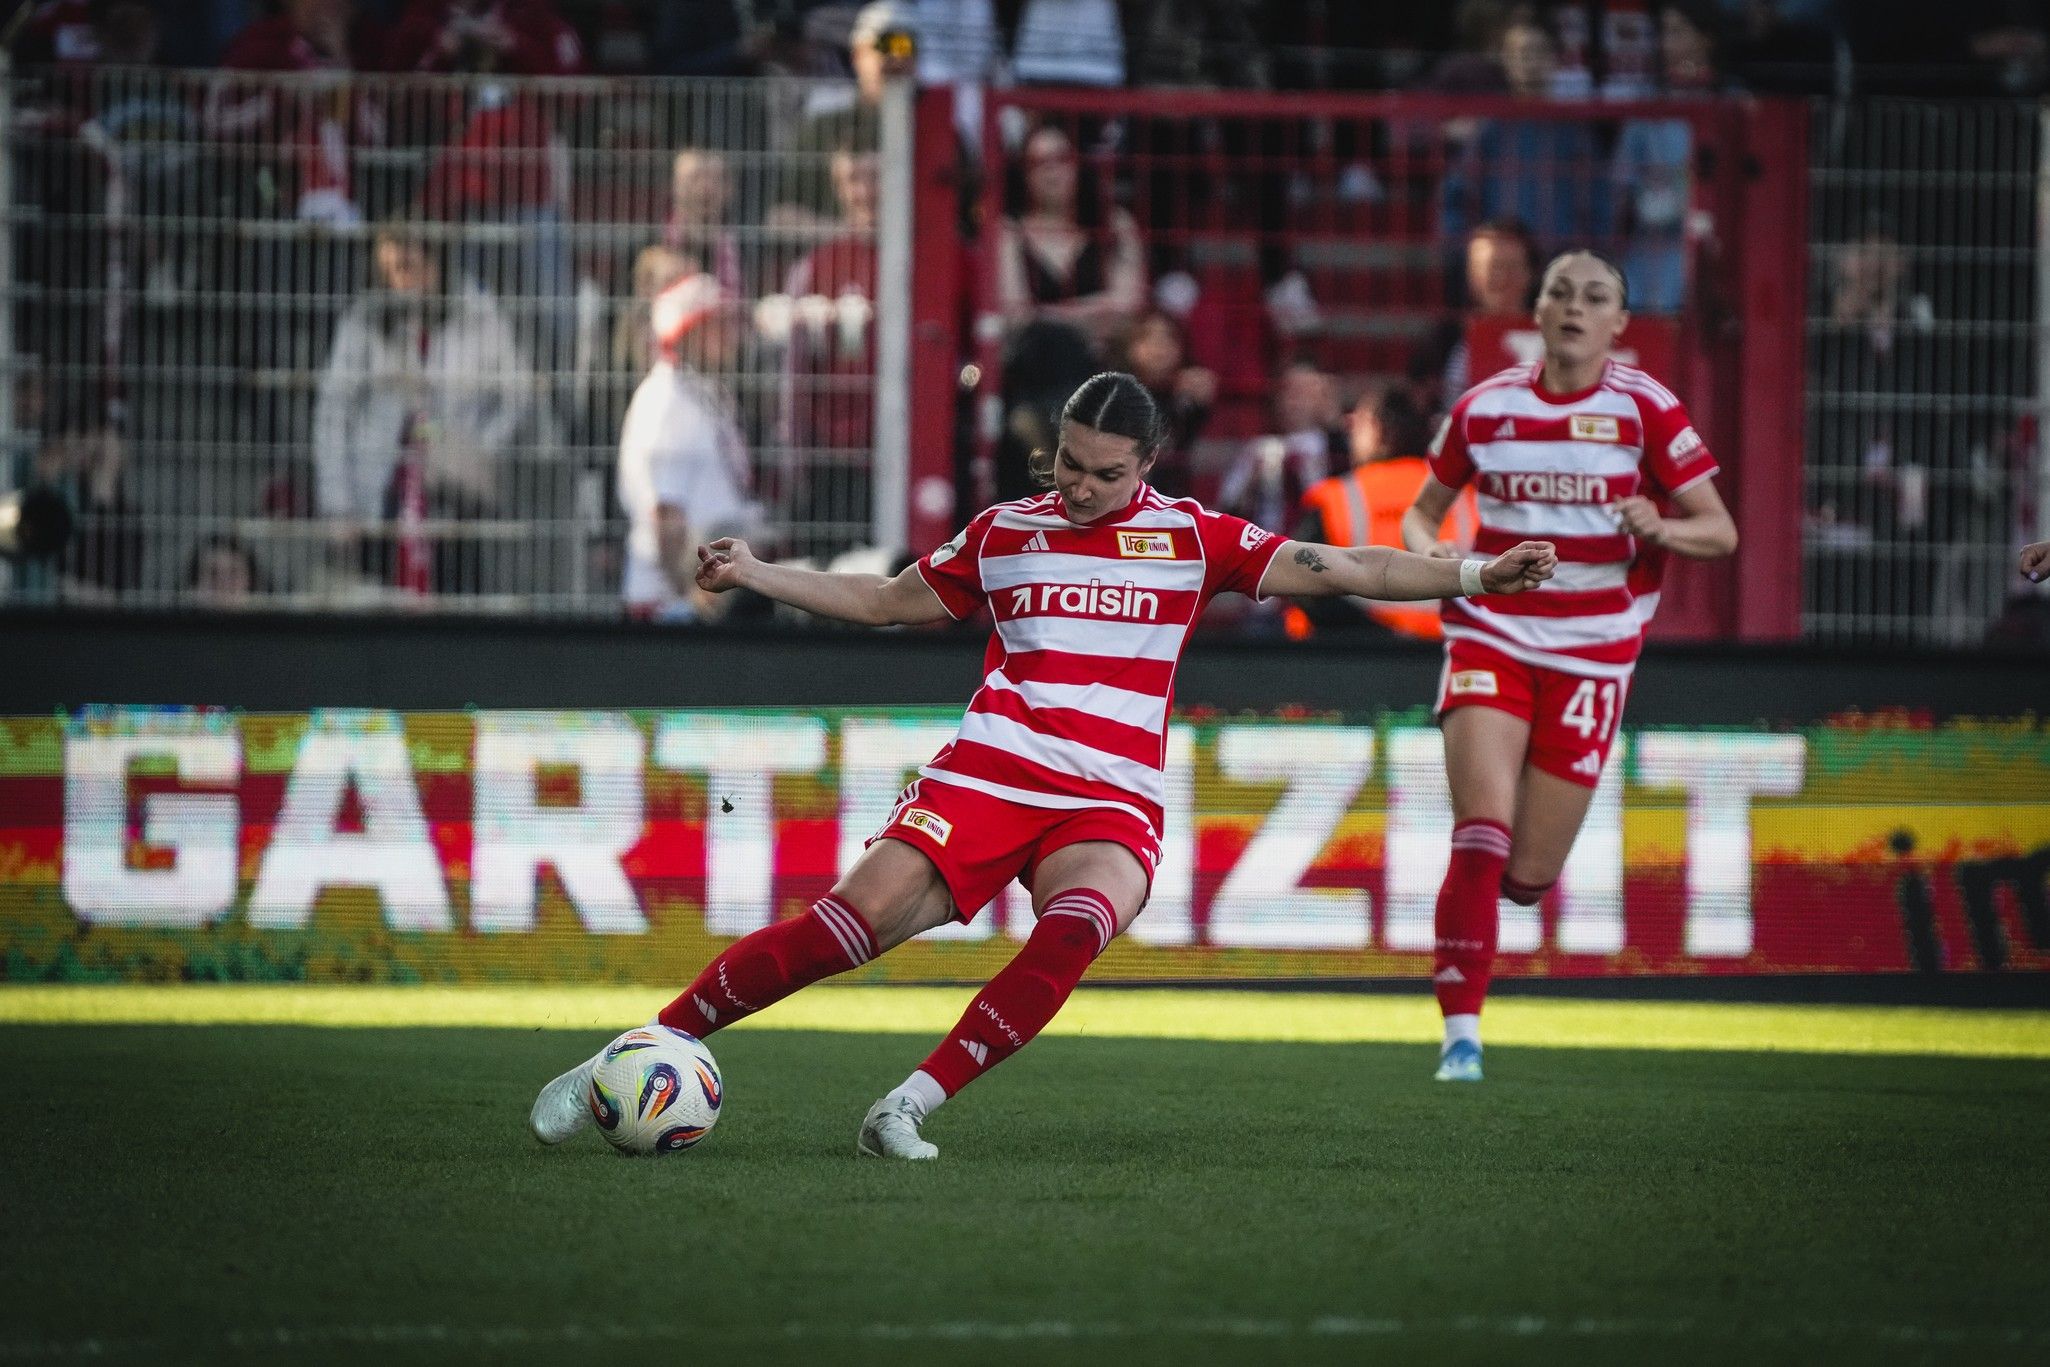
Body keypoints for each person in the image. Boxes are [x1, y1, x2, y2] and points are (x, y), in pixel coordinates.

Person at [528, 371, 1557, 1159]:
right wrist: (753, 570)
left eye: (1106, 473)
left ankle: (907, 1104)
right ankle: (627, 1054)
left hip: (1110, 792)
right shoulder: (1006, 533)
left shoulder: (1193, 539)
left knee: (1079, 923)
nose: (1080, 486)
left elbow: (1354, 566)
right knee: (840, 931)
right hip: (991, 770)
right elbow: (887, 602)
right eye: (1068, 463)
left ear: (1146, 466)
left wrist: (1474, 571)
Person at [1402, 249, 1737, 1083]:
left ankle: (1500, 925)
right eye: (1561, 292)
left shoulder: (1648, 410)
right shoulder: (1485, 407)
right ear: (1538, 312)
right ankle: (1461, 1042)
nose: (1575, 307)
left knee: (1525, 876)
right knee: (1480, 830)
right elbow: (1421, 515)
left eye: (1596, 297)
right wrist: (1441, 560)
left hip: (1595, 651)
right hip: (1492, 631)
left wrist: (1659, 528)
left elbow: (1720, 531)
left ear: (1620, 324)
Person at [616, 273, 760, 622]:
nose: (731, 336)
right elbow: (666, 516)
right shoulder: (667, 403)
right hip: (673, 604)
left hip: (707, 595)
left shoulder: (701, 393)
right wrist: (687, 595)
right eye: (717, 325)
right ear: (687, 332)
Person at [1287, 379, 1477, 640]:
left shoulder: (1336, 497)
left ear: (1380, 431)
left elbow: (1301, 582)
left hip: (1359, 655)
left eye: (1360, 421)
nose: (1350, 429)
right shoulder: (1466, 498)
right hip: (1450, 646)